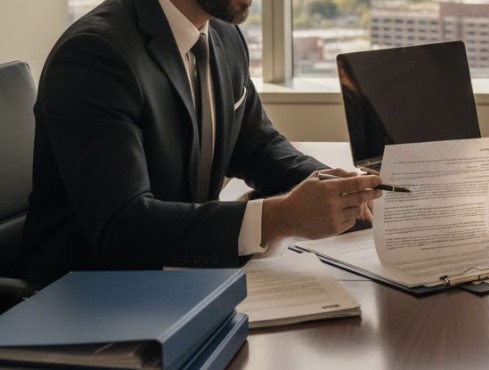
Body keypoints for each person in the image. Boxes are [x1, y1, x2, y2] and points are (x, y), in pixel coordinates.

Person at [19, 0, 381, 287]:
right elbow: (124, 228)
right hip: (89, 299)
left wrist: (338, 189)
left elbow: (258, 146)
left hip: (185, 279)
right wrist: (280, 217)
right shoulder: (94, 56)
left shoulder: (223, 35)